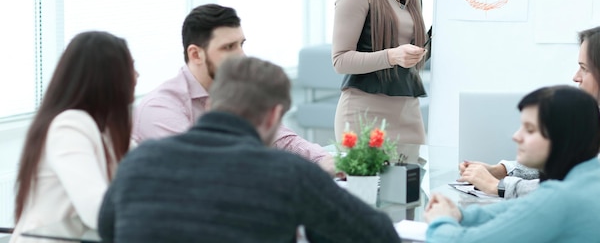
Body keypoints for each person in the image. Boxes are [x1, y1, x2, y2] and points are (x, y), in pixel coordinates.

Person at [98, 56, 401, 243]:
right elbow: (379, 236)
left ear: (213, 103)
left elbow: (108, 229)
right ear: (273, 116)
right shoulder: (287, 174)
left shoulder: (139, 161)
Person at [132, 4, 335, 174]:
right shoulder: (161, 108)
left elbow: (280, 138)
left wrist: (322, 160)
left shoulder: (236, 91)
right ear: (195, 55)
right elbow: (203, 168)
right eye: (229, 47)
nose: (241, 56)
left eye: (241, 44)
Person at [425, 85, 600, 242]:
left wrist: (441, 219)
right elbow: (518, 209)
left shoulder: (561, 198)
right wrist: (460, 214)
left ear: (561, 137)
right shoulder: (592, 176)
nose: (516, 136)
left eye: (529, 130)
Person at [459, 23, 600, 197]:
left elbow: (584, 185)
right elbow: (570, 163)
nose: (576, 77)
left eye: (584, 68)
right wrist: (501, 171)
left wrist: (497, 186)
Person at [11, 31, 136, 243]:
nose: (137, 76)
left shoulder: (105, 131)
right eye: (130, 67)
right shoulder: (69, 125)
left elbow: (149, 166)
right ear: (107, 76)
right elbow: (97, 211)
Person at [332, 0, 429, 163]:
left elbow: (409, 59)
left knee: (410, 198)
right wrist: (392, 56)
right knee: (365, 198)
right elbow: (340, 60)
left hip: (408, 112)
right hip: (363, 113)